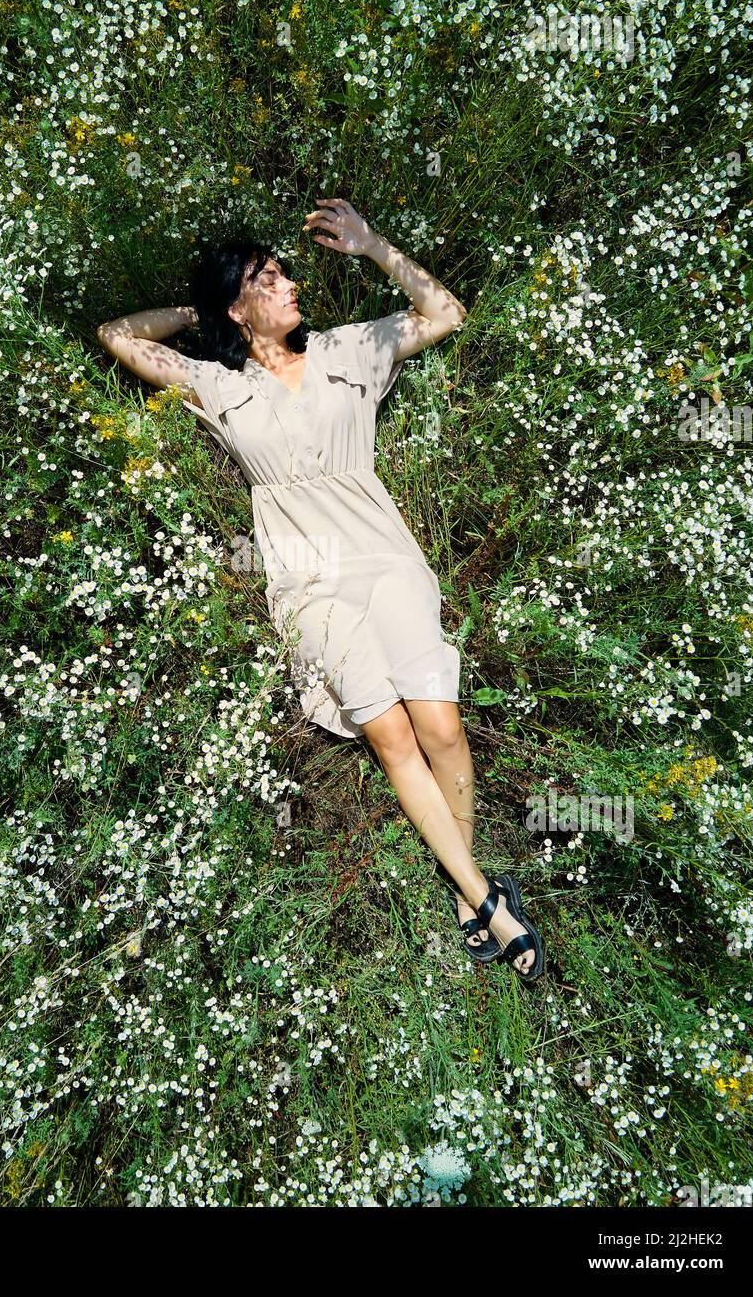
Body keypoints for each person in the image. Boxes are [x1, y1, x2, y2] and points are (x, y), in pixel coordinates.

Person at [97, 198, 544, 981]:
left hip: (386, 559)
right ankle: (484, 902)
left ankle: (467, 896)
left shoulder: (349, 349)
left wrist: (373, 245)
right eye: (268, 281)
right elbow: (116, 337)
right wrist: (202, 310)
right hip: (306, 582)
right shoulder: (212, 384)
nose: (290, 284)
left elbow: (444, 311)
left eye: (284, 273)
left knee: (438, 726)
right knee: (391, 736)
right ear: (237, 306)